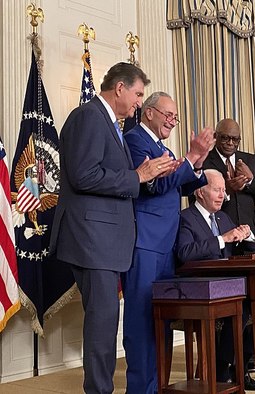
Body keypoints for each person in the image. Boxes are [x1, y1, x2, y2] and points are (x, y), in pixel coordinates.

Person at [49, 62, 176, 394]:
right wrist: (138, 176)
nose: (138, 103)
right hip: (93, 241)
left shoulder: (110, 123)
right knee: (102, 329)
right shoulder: (88, 116)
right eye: (137, 94)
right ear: (119, 88)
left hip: (105, 243)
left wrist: (146, 175)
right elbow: (83, 174)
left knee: (105, 326)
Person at [121, 91, 215, 394]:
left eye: (175, 117)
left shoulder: (162, 148)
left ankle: (157, 387)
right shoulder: (135, 139)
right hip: (145, 244)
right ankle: (140, 390)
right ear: (149, 112)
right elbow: (153, 184)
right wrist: (188, 157)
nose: (173, 121)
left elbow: (183, 185)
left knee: (161, 321)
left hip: (166, 245)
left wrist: (196, 163)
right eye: (169, 115)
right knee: (141, 323)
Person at [176, 169, 255, 390]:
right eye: (217, 190)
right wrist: (221, 239)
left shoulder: (223, 217)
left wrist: (248, 234)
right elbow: (184, 253)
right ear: (199, 192)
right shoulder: (185, 218)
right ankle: (223, 366)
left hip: (232, 285)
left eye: (223, 191)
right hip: (202, 288)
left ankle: (241, 361)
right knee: (242, 306)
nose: (221, 196)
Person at [201, 118, 255, 233]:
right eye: (225, 138)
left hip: (249, 234)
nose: (230, 143)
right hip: (218, 234)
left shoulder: (251, 160)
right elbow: (196, 200)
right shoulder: (203, 161)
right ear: (215, 136)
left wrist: (251, 180)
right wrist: (226, 192)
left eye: (235, 139)